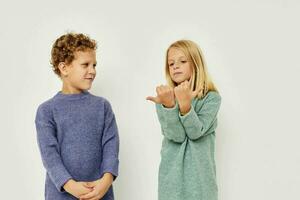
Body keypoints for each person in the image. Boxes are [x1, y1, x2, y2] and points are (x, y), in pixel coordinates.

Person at [35, 33, 119, 200]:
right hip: (61, 195)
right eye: (85, 65)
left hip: (100, 193)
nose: (92, 71)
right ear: (64, 68)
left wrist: (106, 181)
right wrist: (70, 185)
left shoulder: (102, 106)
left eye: (94, 65)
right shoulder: (47, 110)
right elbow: (49, 155)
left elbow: (111, 146)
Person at [147, 39, 222, 200]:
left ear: (196, 63)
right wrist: (169, 106)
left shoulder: (211, 98)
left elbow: (196, 133)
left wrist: (186, 105)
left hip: (201, 182)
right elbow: (177, 136)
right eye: (171, 63)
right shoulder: (165, 98)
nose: (175, 66)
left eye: (182, 61)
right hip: (171, 181)